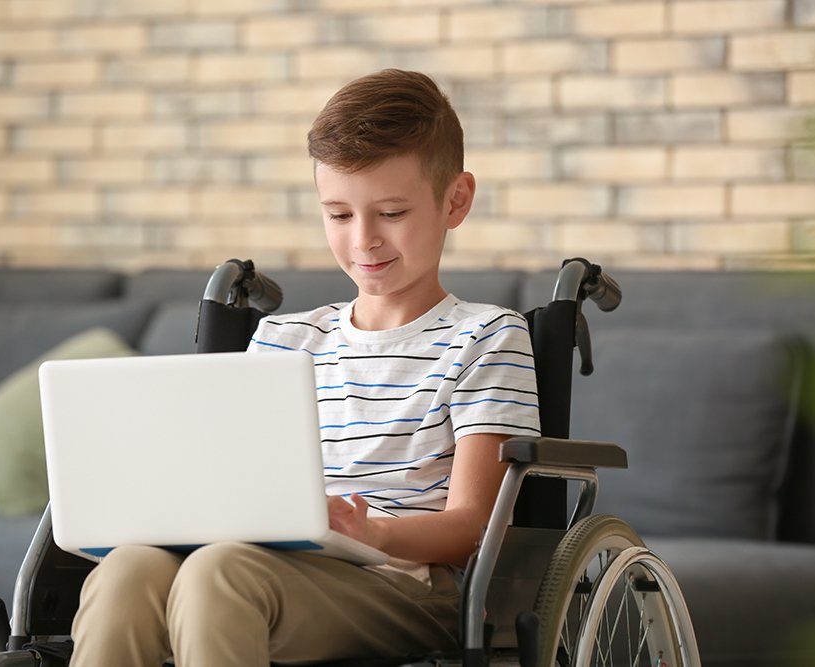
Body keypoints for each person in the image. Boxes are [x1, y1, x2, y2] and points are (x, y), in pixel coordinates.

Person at [69, 68, 541, 667]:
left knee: (220, 572)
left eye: (391, 212)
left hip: (408, 581)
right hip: (270, 560)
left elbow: (474, 524)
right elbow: (232, 489)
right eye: (339, 216)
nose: (363, 240)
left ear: (456, 200)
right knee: (130, 566)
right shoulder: (284, 338)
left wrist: (374, 533)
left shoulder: (487, 337)